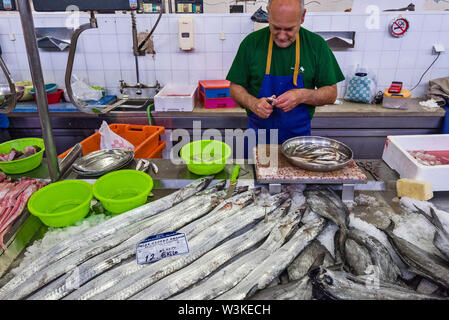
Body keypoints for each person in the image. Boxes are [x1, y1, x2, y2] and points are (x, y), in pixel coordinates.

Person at [226, 0, 345, 147]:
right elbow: (235, 87)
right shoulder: (251, 43)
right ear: (268, 15)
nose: (282, 36)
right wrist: (253, 103)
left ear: (302, 17)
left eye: (289, 29)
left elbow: (331, 93)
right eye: (276, 28)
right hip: (257, 141)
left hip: (298, 143)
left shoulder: (316, 45)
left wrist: (302, 95)